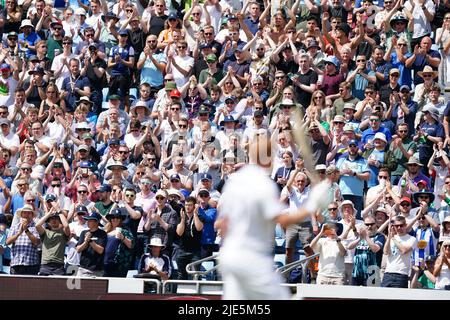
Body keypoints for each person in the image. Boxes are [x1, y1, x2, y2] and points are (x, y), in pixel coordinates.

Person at [215, 135, 332, 300]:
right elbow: (283, 220)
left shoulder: (233, 181)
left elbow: (221, 224)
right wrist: (312, 205)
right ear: (266, 158)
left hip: (229, 256)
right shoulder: (263, 184)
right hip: (251, 257)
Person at [381, 215, 417, 288]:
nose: (399, 228)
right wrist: (389, 237)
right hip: (388, 273)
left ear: (405, 225)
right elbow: (385, 252)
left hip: (401, 274)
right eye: (396, 226)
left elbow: (404, 250)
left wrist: (393, 238)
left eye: (401, 225)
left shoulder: (412, 239)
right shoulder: (391, 237)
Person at [6, 204, 41, 275]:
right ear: (21, 214)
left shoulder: (36, 227)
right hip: (16, 263)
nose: (26, 215)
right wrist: (19, 233)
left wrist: (26, 230)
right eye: (25, 212)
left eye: (29, 213)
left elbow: (37, 242)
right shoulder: (15, 227)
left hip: (31, 264)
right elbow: (7, 242)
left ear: (32, 215)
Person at [35, 209, 70, 276]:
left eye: (56, 218)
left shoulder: (63, 233)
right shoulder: (45, 232)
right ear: (48, 222)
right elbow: (37, 225)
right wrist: (49, 213)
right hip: (45, 265)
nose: (54, 220)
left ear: (59, 221)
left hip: (58, 266)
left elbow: (66, 226)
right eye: (51, 219)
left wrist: (59, 212)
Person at [76, 211, 107, 277]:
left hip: (97, 270)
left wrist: (90, 241)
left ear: (96, 222)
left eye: (90, 220)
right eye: (87, 220)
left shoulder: (102, 234)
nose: (87, 222)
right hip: (83, 269)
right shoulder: (83, 232)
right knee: (79, 287)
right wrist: (85, 242)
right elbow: (78, 249)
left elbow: (100, 250)